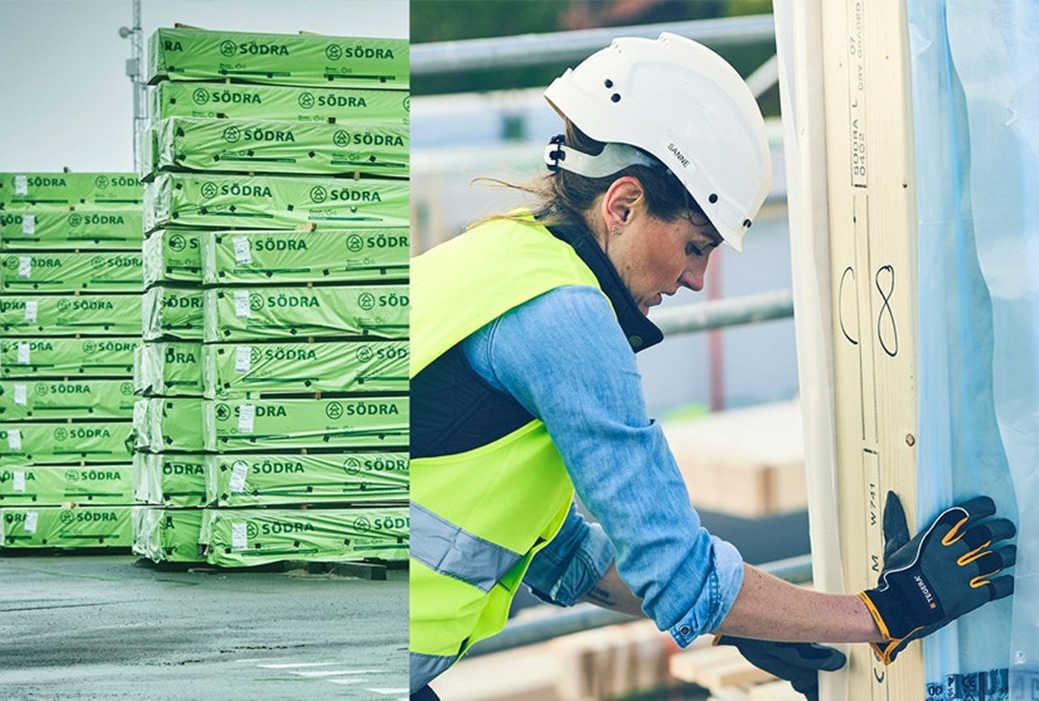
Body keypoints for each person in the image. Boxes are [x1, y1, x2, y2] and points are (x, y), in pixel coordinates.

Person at [408, 33, 1017, 700]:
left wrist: (742, 620)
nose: (697, 279)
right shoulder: (564, 318)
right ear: (622, 205)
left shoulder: (496, 257)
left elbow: (562, 555)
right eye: (695, 245)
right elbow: (679, 571)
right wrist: (885, 612)